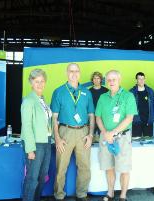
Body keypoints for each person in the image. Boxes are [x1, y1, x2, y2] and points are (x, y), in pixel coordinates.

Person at [51, 63, 95, 201]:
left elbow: (91, 115)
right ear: (66, 73)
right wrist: (57, 138)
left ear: (80, 73)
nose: (74, 73)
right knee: (61, 167)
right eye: (71, 71)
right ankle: (59, 195)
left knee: (84, 167)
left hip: (83, 132)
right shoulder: (59, 91)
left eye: (76, 71)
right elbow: (54, 117)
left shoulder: (86, 92)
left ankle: (81, 194)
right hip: (65, 131)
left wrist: (91, 134)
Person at [95, 70, 137, 201]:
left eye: (114, 79)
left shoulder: (128, 96)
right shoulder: (103, 97)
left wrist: (113, 133)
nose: (111, 82)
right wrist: (105, 133)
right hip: (106, 137)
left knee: (124, 168)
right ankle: (110, 193)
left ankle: (123, 195)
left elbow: (129, 118)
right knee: (108, 166)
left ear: (119, 80)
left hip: (122, 137)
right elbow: (98, 118)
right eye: (109, 80)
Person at [21, 69, 52, 201]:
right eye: (36, 81)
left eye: (42, 81)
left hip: (46, 141)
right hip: (35, 144)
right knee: (32, 178)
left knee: (42, 176)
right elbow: (26, 126)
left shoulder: (42, 100)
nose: (40, 84)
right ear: (31, 83)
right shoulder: (28, 101)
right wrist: (30, 149)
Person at [130, 72, 154, 137]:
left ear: (144, 79)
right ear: (136, 80)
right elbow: (129, 107)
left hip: (148, 120)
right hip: (136, 121)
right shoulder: (132, 92)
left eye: (143, 79)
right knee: (136, 142)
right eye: (139, 79)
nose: (141, 80)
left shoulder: (150, 91)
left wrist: (153, 117)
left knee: (148, 142)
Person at [89, 71, 108, 141]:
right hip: (92, 116)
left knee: (103, 137)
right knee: (91, 136)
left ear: (101, 80)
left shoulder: (106, 91)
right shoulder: (89, 91)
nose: (96, 80)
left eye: (98, 78)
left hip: (103, 117)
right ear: (92, 80)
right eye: (94, 78)